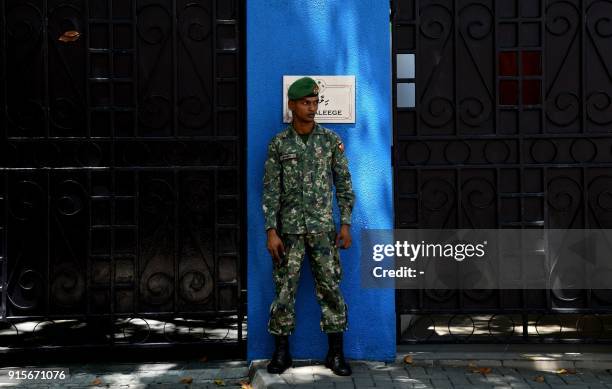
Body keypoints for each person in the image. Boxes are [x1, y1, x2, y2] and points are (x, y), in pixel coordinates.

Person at [262, 77, 355, 376]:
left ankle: (336, 354)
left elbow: (343, 184)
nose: (312, 108)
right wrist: (271, 231)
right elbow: (270, 191)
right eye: (306, 103)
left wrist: (346, 224)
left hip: (323, 232)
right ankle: (281, 353)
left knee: (330, 289)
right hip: (287, 234)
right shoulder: (279, 144)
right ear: (292, 106)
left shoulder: (329, 141)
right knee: (284, 291)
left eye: (315, 103)